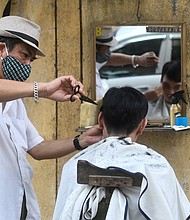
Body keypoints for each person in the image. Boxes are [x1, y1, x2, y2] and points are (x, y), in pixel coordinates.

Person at [0, 15, 102, 220]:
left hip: (17, 205)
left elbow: (37, 148)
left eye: (31, 60)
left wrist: (82, 141)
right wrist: (44, 89)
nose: (27, 64)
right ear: (2, 49)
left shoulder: (15, 102)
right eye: (24, 55)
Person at [53, 86, 190, 220]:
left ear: (100, 120)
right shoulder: (158, 166)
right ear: (142, 126)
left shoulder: (74, 165)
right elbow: (178, 213)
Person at [96, 26, 159, 98]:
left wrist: (137, 60)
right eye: (106, 48)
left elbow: (110, 60)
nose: (108, 52)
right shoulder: (90, 78)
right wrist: (143, 97)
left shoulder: (95, 61)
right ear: (95, 49)